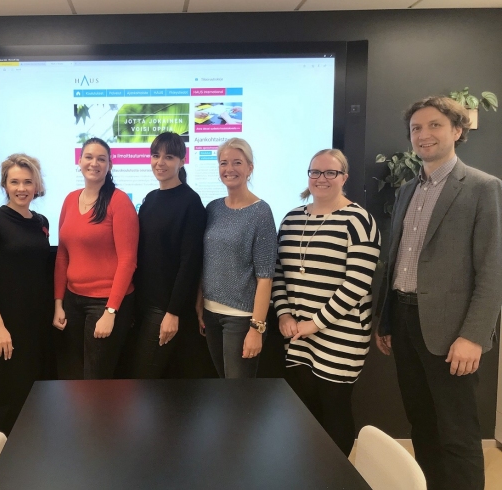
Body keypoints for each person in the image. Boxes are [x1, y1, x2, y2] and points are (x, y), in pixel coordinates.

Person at [375, 96, 502, 490]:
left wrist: (474, 337)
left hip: (452, 332)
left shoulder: (482, 187)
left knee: (458, 434)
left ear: (457, 131)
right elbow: (397, 261)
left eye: (434, 125)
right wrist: (387, 319)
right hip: (405, 321)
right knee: (423, 425)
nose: (423, 134)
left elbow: (493, 270)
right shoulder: (407, 190)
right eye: (416, 128)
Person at [271, 149, 380, 456]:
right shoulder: (292, 219)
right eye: (315, 172)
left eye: (331, 172)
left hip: (341, 335)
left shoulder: (359, 220)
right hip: (297, 333)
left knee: (334, 410)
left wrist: (315, 324)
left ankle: (336, 475)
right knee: (305, 412)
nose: (322, 178)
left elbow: (357, 283)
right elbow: (278, 273)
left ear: (344, 177)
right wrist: (283, 314)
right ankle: (310, 471)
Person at [0, 153, 53, 434]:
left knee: (35, 391)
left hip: (38, 323)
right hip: (7, 324)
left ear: (36, 185)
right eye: (15, 182)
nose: (22, 188)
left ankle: (32, 450)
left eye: (28, 182)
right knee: (8, 392)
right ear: (5, 185)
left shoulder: (41, 221)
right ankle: (7, 455)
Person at [52, 137, 139, 379]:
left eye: (101, 159)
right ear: (79, 161)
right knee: (73, 375)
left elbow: (128, 261)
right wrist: (59, 303)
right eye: (89, 157)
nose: (94, 163)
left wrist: (110, 312)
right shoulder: (70, 199)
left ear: (109, 165)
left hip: (105, 302)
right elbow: (62, 256)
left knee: (96, 379)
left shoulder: (119, 201)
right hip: (72, 301)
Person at [198, 138, 276, 378]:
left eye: (237, 162)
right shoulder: (213, 208)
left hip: (241, 319)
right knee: (224, 387)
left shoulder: (261, 212)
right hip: (210, 314)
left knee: (238, 392)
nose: (229, 169)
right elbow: (205, 261)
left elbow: (265, 277)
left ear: (249, 168)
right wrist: (200, 303)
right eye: (224, 163)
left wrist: (257, 328)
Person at [131, 132, 207, 378]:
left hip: (164, 308)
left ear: (182, 161)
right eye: (156, 155)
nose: (160, 162)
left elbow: (190, 262)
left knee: (143, 378)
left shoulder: (191, 202)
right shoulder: (150, 199)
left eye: (169, 157)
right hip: (142, 303)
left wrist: (173, 313)